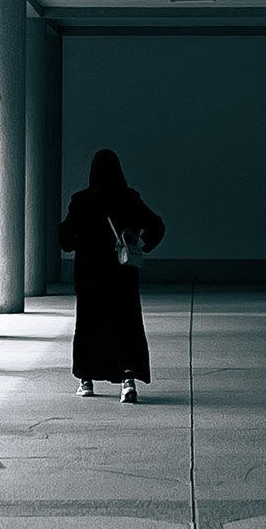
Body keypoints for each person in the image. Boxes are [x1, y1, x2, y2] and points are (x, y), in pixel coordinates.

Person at [59, 149, 165, 402]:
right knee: (125, 325)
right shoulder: (129, 198)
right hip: (122, 274)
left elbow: (64, 236)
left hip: (89, 274)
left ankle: (87, 380)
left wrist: (76, 244)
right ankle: (127, 380)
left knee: (88, 325)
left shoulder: (81, 200)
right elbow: (157, 225)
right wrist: (142, 245)